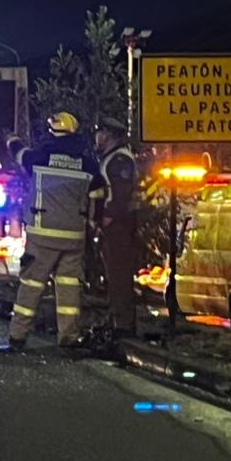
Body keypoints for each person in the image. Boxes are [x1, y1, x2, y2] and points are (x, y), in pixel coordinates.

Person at [0, 112, 105, 352]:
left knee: (31, 286)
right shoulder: (88, 163)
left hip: (42, 236)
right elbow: (97, 197)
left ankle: (18, 336)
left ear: (52, 132)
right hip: (74, 238)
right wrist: (92, 224)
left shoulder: (40, 157)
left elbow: (20, 154)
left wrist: (12, 139)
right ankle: (69, 337)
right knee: (69, 289)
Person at [93, 118, 140, 339]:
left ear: (108, 135)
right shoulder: (112, 158)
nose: (97, 138)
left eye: (100, 133)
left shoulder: (119, 160)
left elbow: (120, 194)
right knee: (114, 275)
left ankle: (123, 326)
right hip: (115, 227)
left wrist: (107, 218)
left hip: (119, 227)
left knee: (119, 275)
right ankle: (116, 319)